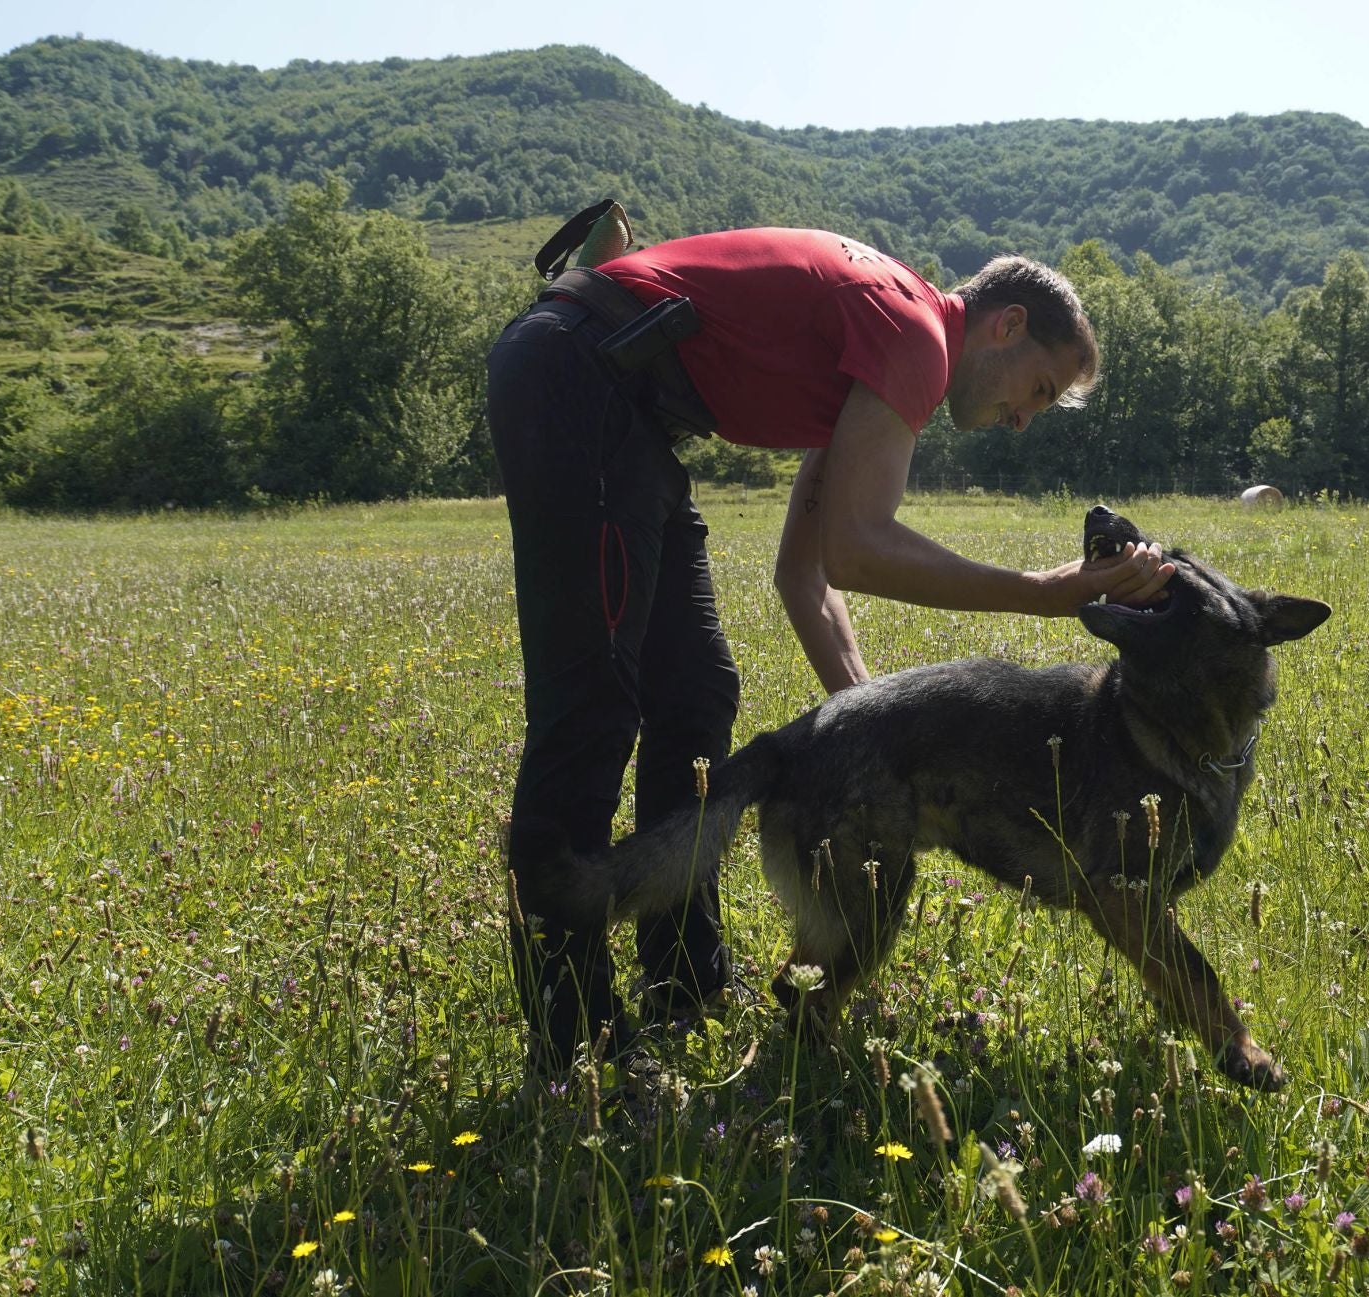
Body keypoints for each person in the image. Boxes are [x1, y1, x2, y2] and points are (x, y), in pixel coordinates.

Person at [486, 226, 1173, 1075]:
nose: (1024, 419)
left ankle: (685, 981)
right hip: (578, 378)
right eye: (1036, 387)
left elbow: (803, 578)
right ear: (1007, 324)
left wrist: (893, 746)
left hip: (625, 409)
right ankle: (575, 1040)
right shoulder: (914, 334)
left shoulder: (881, 344)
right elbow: (857, 548)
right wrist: (1041, 592)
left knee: (697, 691)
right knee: (590, 705)